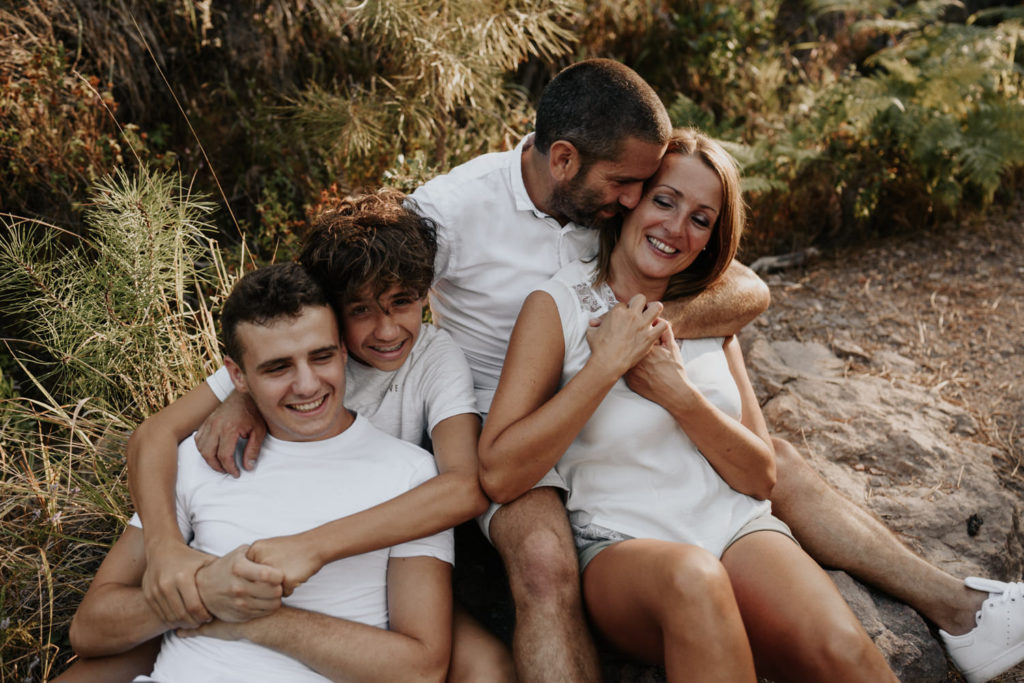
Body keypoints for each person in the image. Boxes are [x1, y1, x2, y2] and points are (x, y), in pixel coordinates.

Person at [131, 58, 1024, 683]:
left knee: (770, 467)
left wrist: (642, 333)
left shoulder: (621, 209)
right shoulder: (451, 211)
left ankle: (960, 608)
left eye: (658, 193)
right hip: (493, 418)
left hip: (618, 394)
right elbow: (345, 281)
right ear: (565, 162)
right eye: (632, 189)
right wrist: (247, 386)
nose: (642, 204)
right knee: (548, 566)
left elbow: (735, 279)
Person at [479, 129, 898, 681]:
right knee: (695, 579)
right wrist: (605, 368)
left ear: (710, 238)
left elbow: (759, 475)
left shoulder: (708, 312)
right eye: (665, 201)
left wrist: (678, 394)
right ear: (630, 200)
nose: (676, 228)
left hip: (732, 526)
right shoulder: (556, 306)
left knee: (844, 649)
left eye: (700, 219)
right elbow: (500, 473)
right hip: (621, 547)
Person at [60, 192, 513, 682]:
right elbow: (153, 436)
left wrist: (304, 555)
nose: (385, 330)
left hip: (376, 547)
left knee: (484, 665)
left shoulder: (426, 380)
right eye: (361, 309)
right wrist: (173, 556)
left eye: (402, 302)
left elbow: (463, 487)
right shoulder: (230, 422)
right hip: (202, 632)